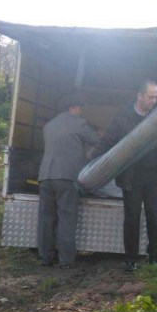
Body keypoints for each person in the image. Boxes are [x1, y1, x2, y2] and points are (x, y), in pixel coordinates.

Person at [93, 80, 157, 272]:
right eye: (150, 97)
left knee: (154, 214)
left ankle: (155, 256)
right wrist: (93, 162)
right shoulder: (123, 118)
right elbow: (108, 140)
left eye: (156, 97)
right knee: (132, 216)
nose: (154, 101)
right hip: (131, 176)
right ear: (139, 96)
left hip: (154, 175)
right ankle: (131, 258)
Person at [37, 94, 100, 269]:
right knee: (66, 218)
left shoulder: (49, 125)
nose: (80, 111)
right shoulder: (78, 123)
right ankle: (65, 260)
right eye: (79, 108)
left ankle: (46, 258)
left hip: (45, 176)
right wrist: (99, 133)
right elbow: (96, 141)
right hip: (66, 177)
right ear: (72, 108)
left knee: (46, 219)